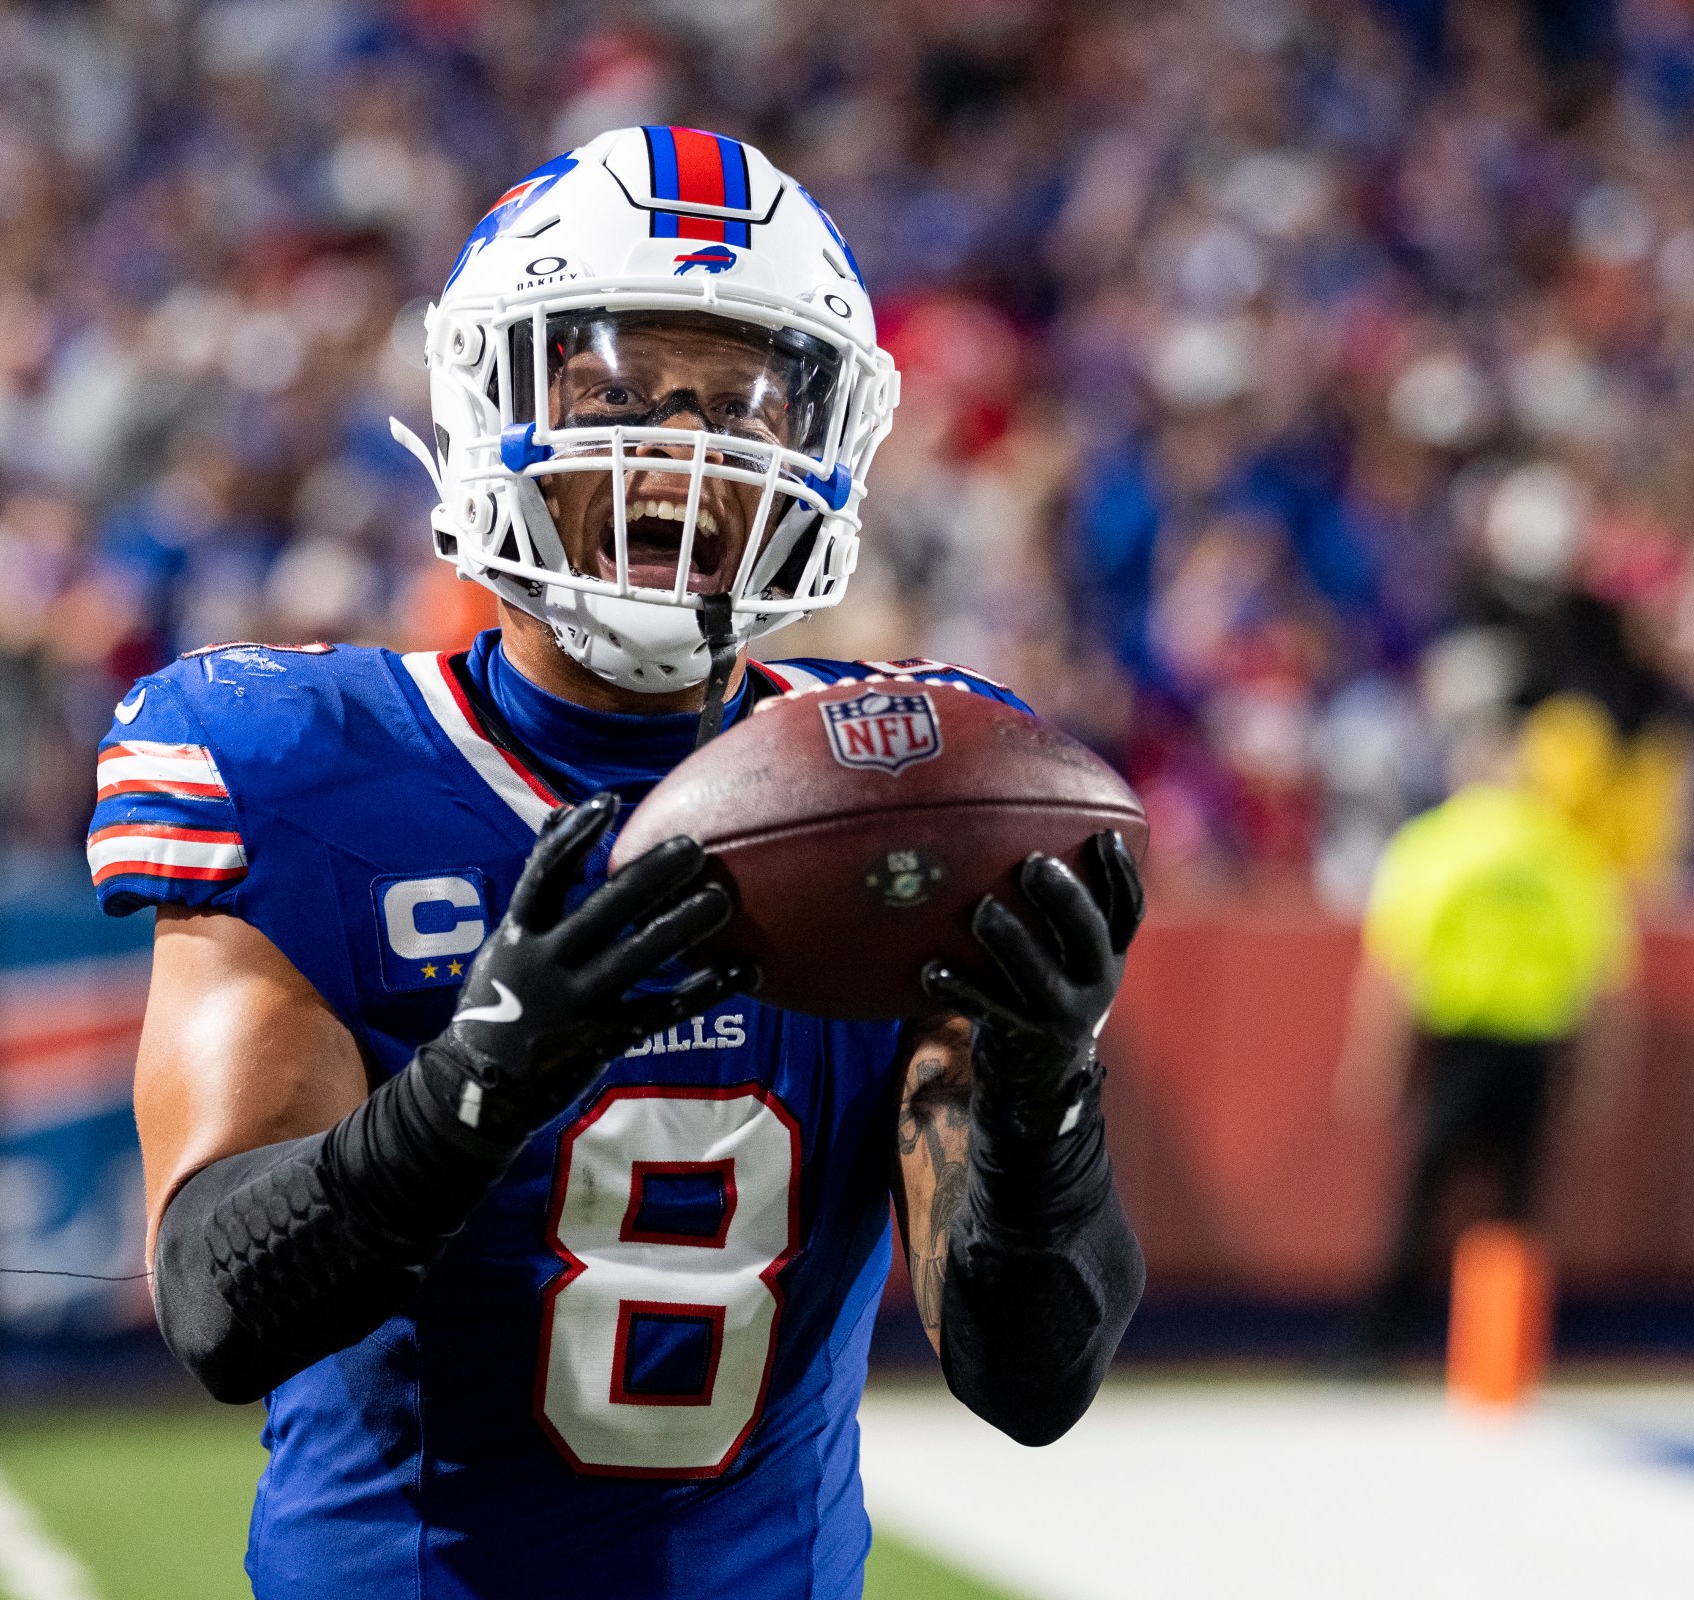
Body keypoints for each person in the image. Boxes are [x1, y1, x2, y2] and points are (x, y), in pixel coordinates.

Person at [97, 128, 1147, 1597]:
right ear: (489, 408)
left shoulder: (922, 796)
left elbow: (1031, 1379)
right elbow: (218, 1308)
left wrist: (1044, 1102)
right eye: (619, 395)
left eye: (742, 406)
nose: (686, 452)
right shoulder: (301, 765)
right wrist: (480, 1088)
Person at [1336, 712, 1637, 1361]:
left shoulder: (1432, 845)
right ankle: (1502, 1350)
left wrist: (1376, 1062)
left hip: (1459, 1041)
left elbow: (1394, 967)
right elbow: (1605, 986)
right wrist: (1596, 1080)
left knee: (1422, 1193)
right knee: (1516, 1205)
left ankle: (1381, 1341)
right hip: (1533, 1046)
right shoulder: (1566, 852)